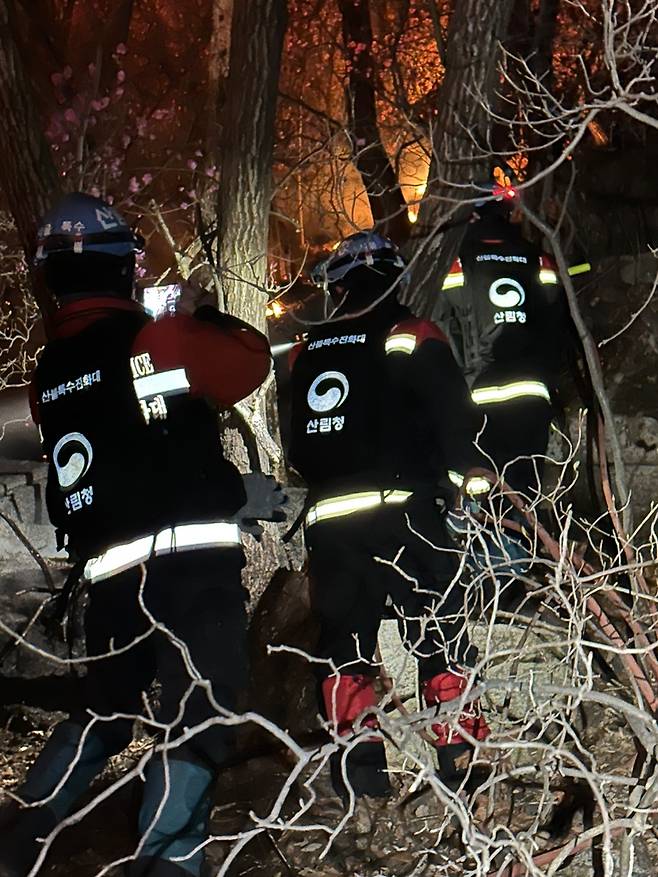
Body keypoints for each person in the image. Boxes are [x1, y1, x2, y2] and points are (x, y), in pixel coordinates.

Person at [0, 193, 271, 877]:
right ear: (125, 266)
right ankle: (170, 862)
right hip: (188, 570)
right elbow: (250, 361)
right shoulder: (156, 339)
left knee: (108, 706)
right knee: (200, 713)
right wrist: (198, 313)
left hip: (111, 576)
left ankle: (20, 834)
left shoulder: (49, 375)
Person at [287, 230, 492, 800]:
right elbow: (454, 416)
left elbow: (300, 446)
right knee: (438, 631)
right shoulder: (411, 333)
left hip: (331, 520)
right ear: (395, 277)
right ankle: (463, 760)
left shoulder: (307, 351)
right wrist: (470, 475)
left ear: (338, 287)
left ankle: (361, 773)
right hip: (405, 513)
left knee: (344, 643)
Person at [435, 181, 568, 501]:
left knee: (487, 491)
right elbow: (556, 323)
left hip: (480, 392)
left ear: (471, 215)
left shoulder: (457, 262)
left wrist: (455, 383)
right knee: (526, 493)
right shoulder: (538, 259)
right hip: (532, 393)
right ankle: (532, 542)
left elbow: (442, 323)